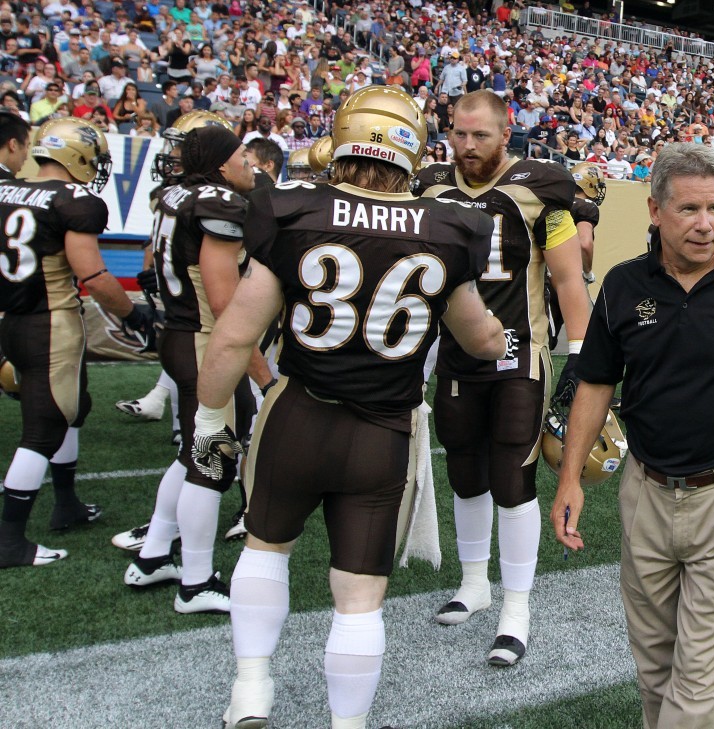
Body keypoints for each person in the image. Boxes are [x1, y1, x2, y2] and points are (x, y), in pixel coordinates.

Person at [193, 85, 504, 729]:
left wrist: (207, 418)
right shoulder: (449, 227)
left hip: (298, 414)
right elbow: (479, 340)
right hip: (381, 432)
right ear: (411, 154)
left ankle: (250, 689)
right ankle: (348, 723)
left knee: (264, 548)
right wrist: (496, 336)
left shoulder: (294, 208)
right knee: (359, 599)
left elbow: (233, 335)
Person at [550, 142, 714, 729]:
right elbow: (595, 385)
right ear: (654, 210)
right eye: (689, 210)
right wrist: (570, 477)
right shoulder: (622, 285)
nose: (706, 224)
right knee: (654, 667)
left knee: (698, 678)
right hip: (645, 492)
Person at [415, 89, 591, 667]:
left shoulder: (545, 192)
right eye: (459, 135)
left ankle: (517, 608)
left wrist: (581, 360)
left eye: (480, 136)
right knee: (464, 471)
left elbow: (569, 283)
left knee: (512, 480)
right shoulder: (433, 189)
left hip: (520, 354)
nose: (467, 147)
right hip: (457, 358)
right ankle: (474, 583)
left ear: (506, 131)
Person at [121, 125, 270, 613]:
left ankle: (154, 555)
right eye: (242, 154)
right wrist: (263, 374)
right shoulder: (219, 205)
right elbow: (227, 304)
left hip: (179, 334)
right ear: (223, 164)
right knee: (212, 463)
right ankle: (197, 582)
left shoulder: (175, 194)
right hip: (205, 343)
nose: (250, 161)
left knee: (192, 452)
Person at [1, 118, 158, 568]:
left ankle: (65, 503)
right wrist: (133, 315)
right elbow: (92, 275)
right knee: (44, 427)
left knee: (74, 406)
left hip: (13, 319)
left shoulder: (8, 189)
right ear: (77, 155)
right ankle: (10, 538)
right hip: (50, 323)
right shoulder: (73, 201)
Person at [570, 161, 606, 283]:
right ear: (588, 184)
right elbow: (585, 244)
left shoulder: (558, 202)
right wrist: (587, 272)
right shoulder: (586, 207)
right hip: (569, 274)